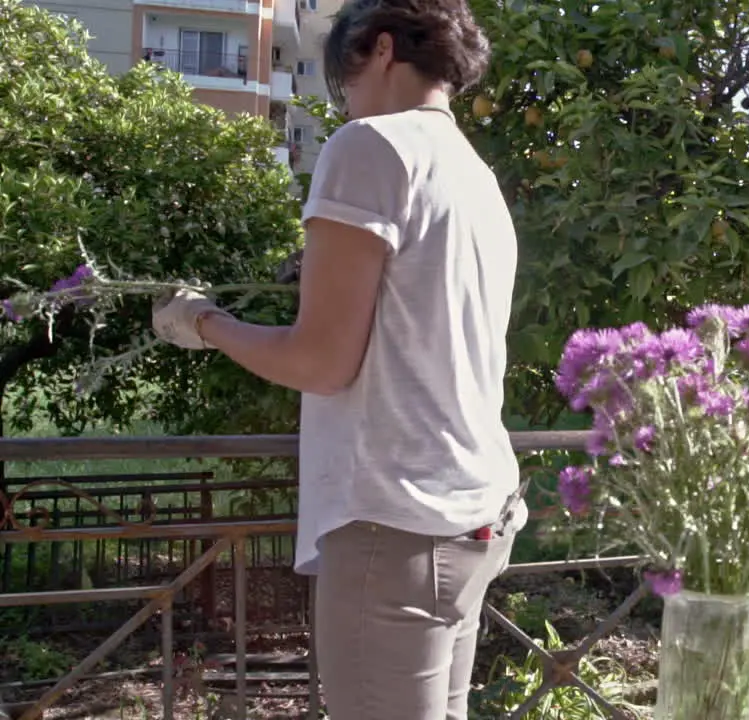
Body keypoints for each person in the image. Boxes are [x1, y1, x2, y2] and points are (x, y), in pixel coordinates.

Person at [150, 0, 524, 717]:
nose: (343, 103)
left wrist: (204, 323)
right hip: (472, 512)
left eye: (341, 83)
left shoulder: (371, 146)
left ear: (380, 50)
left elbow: (320, 363)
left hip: (397, 522)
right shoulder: (476, 177)